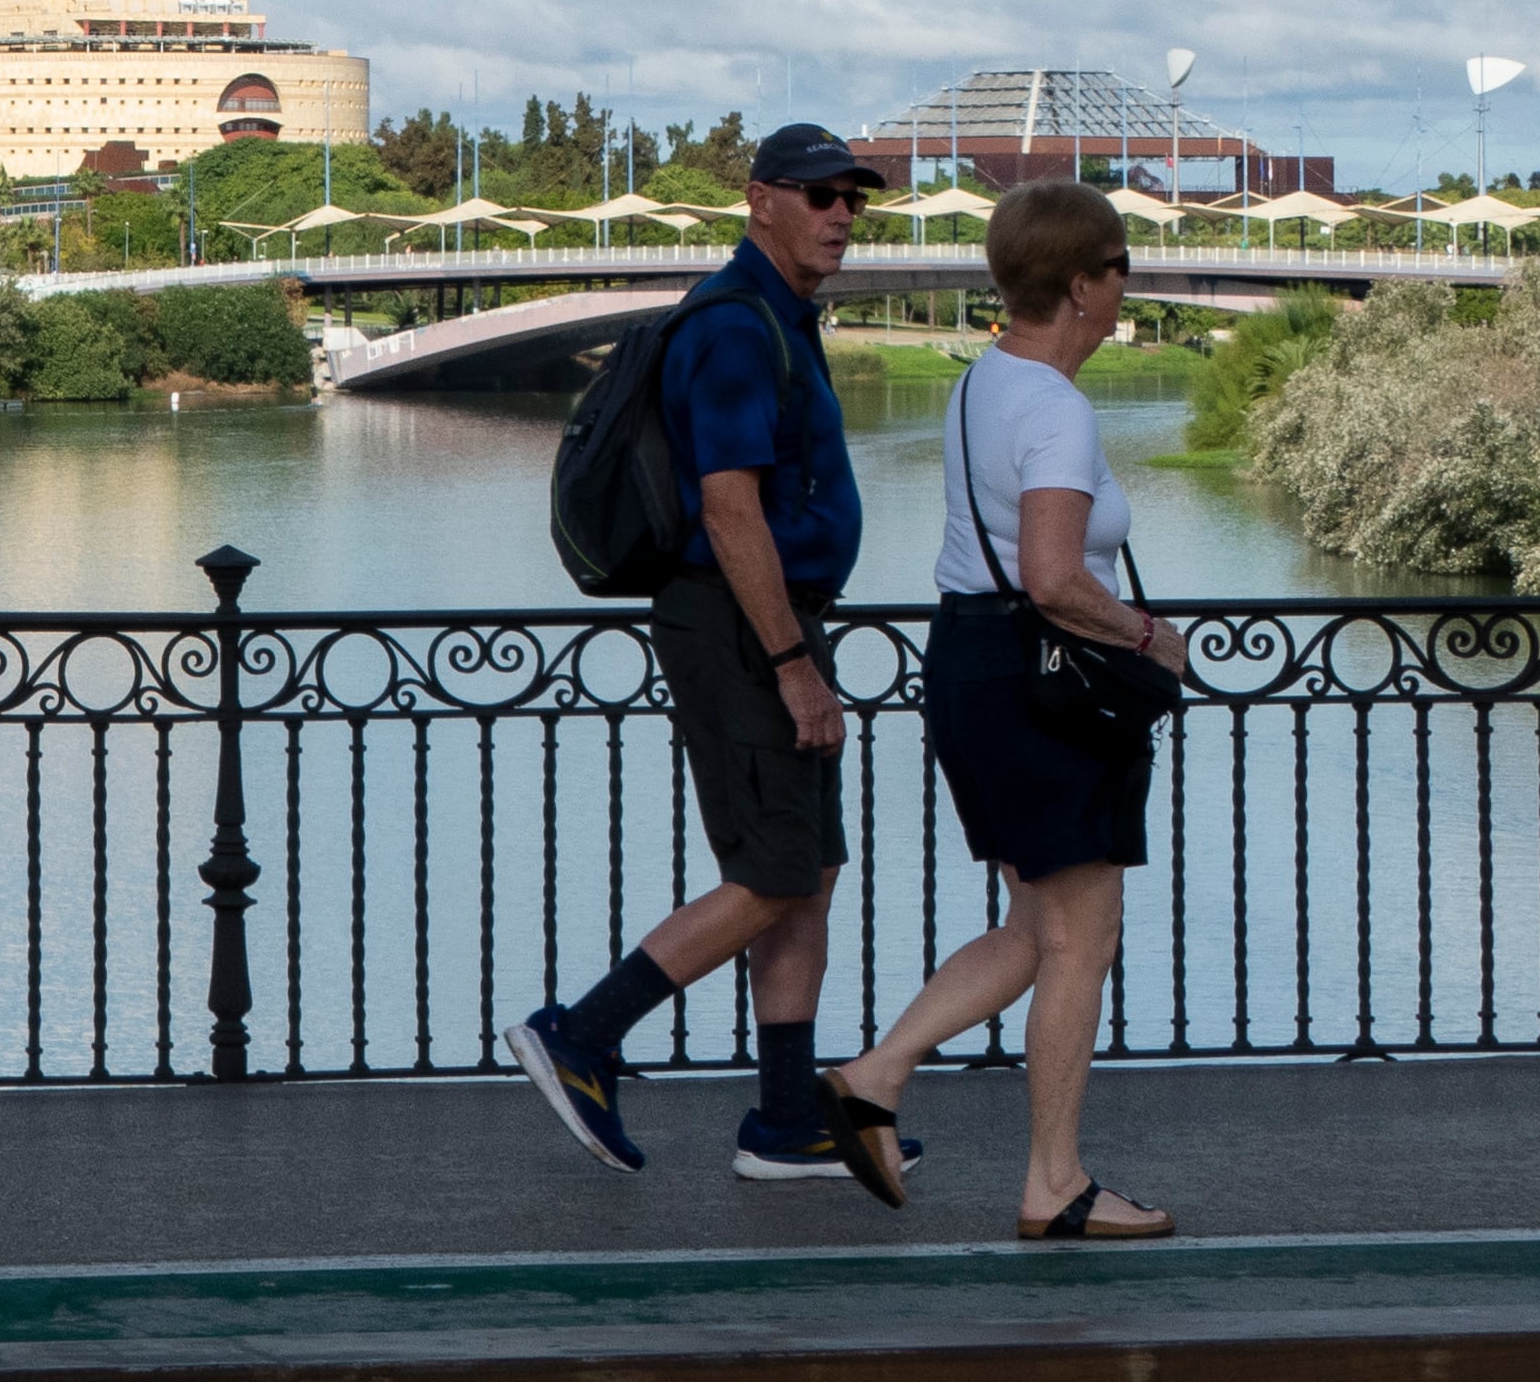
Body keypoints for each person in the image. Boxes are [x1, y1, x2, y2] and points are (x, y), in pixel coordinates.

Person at [504, 123, 920, 1189]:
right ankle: (582, 1034)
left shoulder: (778, 316)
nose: (841, 214)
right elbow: (730, 511)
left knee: (807, 871)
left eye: (853, 199)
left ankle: (783, 1121)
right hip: (739, 626)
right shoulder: (735, 326)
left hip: (771, 620)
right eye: (820, 195)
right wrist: (791, 663)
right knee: (774, 869)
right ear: (759, 200)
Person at [823, 178, 1181, 1240]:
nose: (1124, 288)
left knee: (1035, 925)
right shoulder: (1056, 409)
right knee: (1081, 937)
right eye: (1119, 268)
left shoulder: (982, 381)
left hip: (973, 665)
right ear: (1080, 285)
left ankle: (874, 1076)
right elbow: (1053, 576)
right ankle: (1052, 1183)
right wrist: (1148, 637)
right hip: (1045, 683)